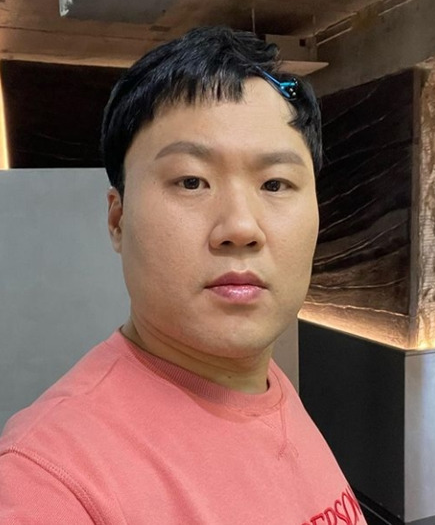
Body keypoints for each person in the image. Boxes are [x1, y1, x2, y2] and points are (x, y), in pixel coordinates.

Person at [0, 26, 365, 525]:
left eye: (275, 184)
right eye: (192, 181)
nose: (240, 227)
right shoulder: (48, 481)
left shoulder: (263, 380)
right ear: (118, 219)